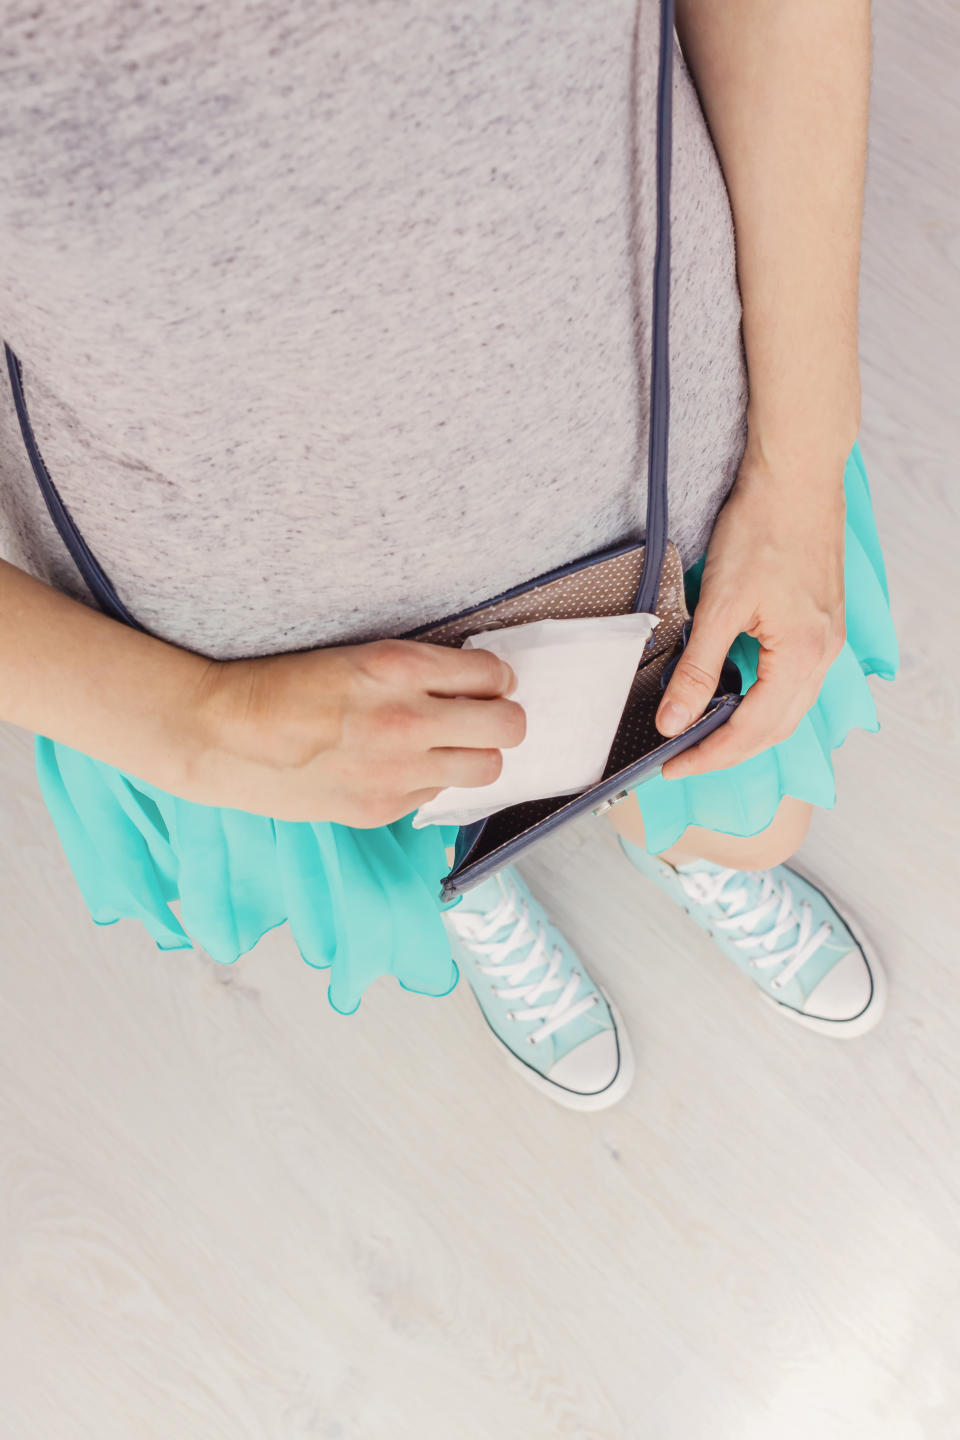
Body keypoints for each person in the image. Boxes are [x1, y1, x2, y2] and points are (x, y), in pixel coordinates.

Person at [0, 1, 897, 1111]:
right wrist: (197, 729)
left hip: (662, 483)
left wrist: (802, 459)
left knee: (733, 800)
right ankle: (482, 882)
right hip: (246, 660)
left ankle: (669, 845)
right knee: (425, 837)